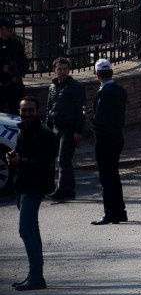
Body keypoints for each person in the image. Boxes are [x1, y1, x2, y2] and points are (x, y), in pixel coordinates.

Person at [7, 96, 58, 291]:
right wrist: (13, 158)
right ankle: (34, 274)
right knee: (31, 230)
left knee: (26, 230)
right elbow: (23, 156)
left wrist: (21, 161)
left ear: (37, 111)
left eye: (30, 110)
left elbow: (44, 164)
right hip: (22, 185)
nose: (26, 113)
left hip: (34, 186)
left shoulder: (44, 134)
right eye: (23, 110)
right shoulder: (23, 131)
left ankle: (36, 276)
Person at [90, 59, 128, 225]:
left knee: (106, 178)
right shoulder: (120, 91)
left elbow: (99, 120)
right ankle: (119, 212)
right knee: (114, 176)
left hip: (105, 139)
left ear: (97, 74)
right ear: (111, 73)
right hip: (117, 137)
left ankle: (110, 212)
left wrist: (88, 115)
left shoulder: (104, 93)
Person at [45, 57, 86, 201]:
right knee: (64, 160)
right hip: (56, 128)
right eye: (59, 69)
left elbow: (80, 110)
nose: (62, 72)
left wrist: (78, 130)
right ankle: (69, 189)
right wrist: (48, 129)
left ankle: (62, 190)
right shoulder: (52, 87)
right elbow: (49, 109)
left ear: (69, 70)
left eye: (65, 69)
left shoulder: (75, 87)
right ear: (54, 70)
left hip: (69, 129)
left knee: (63, 160)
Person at [0, 15, 28, 115]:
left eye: (11, 27)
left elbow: (25, 64)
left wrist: (17, 73)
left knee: (16, 112)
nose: (10, 29)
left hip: (14, 86)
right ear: (1, 28)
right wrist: (2, 68)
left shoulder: (16, 44)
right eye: (7, 27)